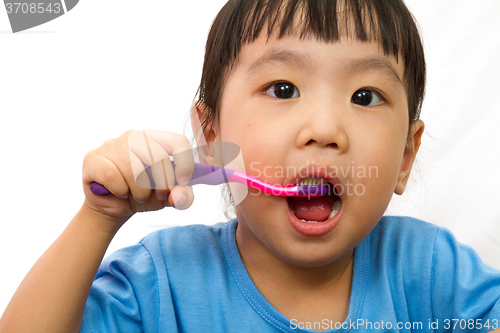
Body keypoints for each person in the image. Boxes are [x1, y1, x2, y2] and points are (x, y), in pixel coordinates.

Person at [1, 0, 499, 332]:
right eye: (282, 89)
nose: (325, 128)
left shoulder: (434, 274)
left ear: (405, 159)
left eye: (364, 96)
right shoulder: (163, 284)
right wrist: (98, 218)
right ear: (211, 137)